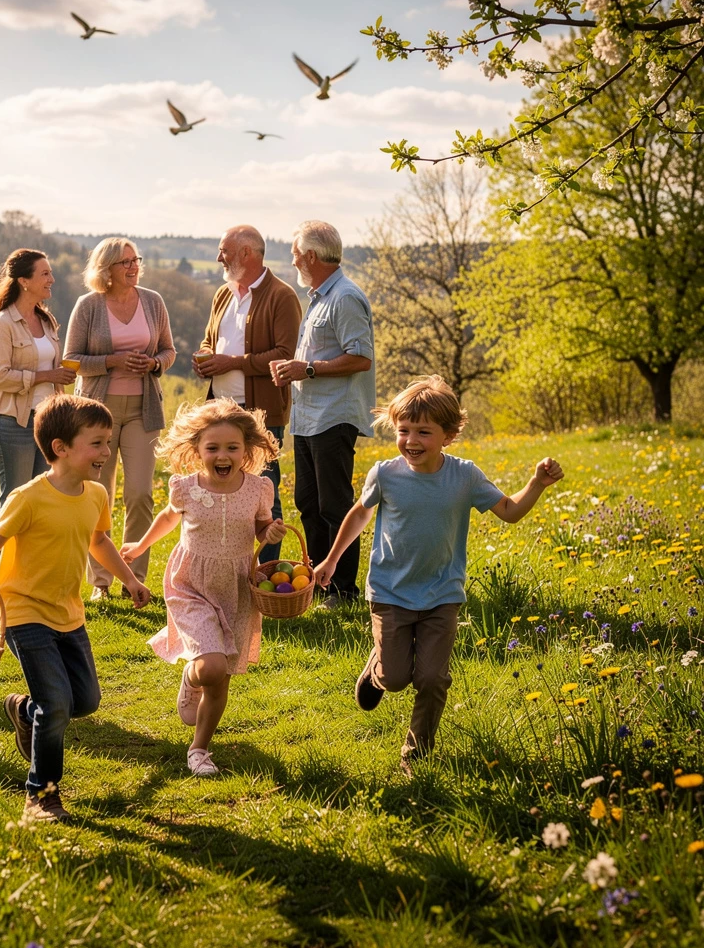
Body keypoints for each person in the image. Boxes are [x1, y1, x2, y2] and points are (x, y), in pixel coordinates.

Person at [313, 376, 564, 773]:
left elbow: (510, 512)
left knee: (431, 679)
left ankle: (416, 753)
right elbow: (360, 514)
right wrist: (331, 560)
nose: (411, 440)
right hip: (390, 592)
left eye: (424, 432)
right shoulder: (386, 474)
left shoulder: (464, 477)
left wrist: (536, 483)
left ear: (448, 435)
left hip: (442, 595)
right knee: (396, 678)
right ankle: (376, 671)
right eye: (404, 430)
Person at [0, 395, 152, 822]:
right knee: (58, 704)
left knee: (84, 701)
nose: (106, 452)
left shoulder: (96, 494)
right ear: (61, 448)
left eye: (107, 443)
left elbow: (99, 541)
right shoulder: (28, 498)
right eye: (97, 443)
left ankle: (23, 710)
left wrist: (131, 580)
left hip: (69, 612)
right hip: (24, 612)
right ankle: (41, 795)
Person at [120, 400, 285, 776]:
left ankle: (199, 749)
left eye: (232, 448)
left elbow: (261, 525)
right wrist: (141, 546)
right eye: (213, 448)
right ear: (198, 452)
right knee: (210, 667)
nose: (222, 455)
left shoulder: (259, 488)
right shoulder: (186, 487)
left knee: (220, 673)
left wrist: (269, 531)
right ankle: (193, 673)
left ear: (247, 450)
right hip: (191, 583)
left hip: (237, 587)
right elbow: (167, 517)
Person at [64, 238, 175, 600]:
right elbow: (72, 360)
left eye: (135, 260)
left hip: (144, 408)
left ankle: (134, 579)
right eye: (124, 262)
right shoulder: (89, 305)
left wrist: (154, 363)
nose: (133, 267)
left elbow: (169, 351)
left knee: (141, 494)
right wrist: (111, 361)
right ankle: (101, 582)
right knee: (101, 495)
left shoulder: (153, 301)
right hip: (97, 412)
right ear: (106, 269)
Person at [271, 220, 375, 606]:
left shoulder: (344, 297)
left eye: (296, 254)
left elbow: (360, 358)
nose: (294, 260)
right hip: (309, 418)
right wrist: (293, 368)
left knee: (334, 506)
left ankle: (344, 591)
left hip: (334, 417)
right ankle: (320, 584)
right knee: (308, 503)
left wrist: (308, 369)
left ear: (311, 256)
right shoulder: (320, 297)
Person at [194, 224, 301, 565]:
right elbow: (210, 339)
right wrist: (206, 357)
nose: (218, 257)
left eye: (224, 250)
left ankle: (267, 570)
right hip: (220, 409)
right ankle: (229, 564)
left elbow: (285, 353)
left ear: (246, 253)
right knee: (223, 487)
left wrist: (232, 362)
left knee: (263, 489)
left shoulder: (281, 296)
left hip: (261, 411)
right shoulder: (223, 293)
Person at [0, 248, 75, 590]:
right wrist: (43, 375)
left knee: (38, 502)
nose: (52, 279)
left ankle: (25, 578)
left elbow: (49, 368)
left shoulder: (47, 321)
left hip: (46, 422)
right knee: (13, 501)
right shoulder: (1, 324)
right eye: (45, 274)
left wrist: (59, 378)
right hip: (12, 423)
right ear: (24, 281)